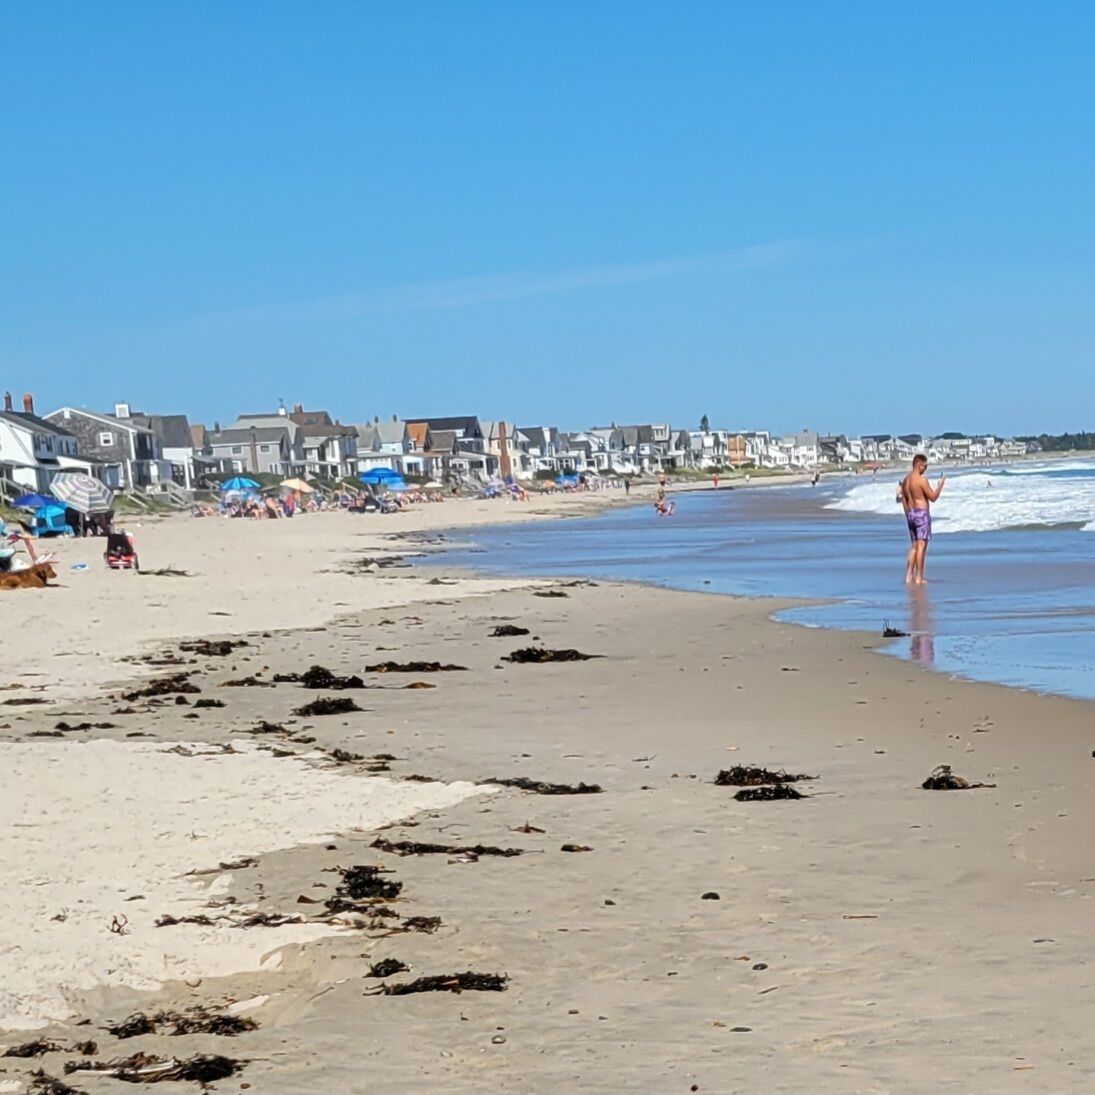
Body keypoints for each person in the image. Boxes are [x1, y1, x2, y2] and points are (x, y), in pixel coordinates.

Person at [897, 454, 945, 585]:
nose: (926, 469)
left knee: (914, 546)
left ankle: (908, 576)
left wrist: (907, 514)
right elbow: (933, 497)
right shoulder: (921, 480)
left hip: (910, 514)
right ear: (919, 465)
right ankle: (919, 577)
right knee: (921, 547)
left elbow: (903, 500)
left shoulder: (906, 481)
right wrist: (940, 485)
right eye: (925, 466)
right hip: (921, 514)